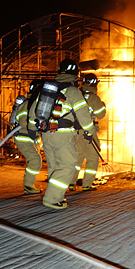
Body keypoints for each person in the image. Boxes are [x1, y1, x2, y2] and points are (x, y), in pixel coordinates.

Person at [40, 59, 95, 210]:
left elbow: (34, 112)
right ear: (75, 75)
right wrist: (90, 131)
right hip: (62, 135)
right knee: (68, 165)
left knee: (55, 166)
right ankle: (51, 199)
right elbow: (83, 115)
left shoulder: (48, 89)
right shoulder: (72, 91)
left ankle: (57, 195)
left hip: (46, 134)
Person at [70, 73, 106, 191]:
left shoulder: (76, 94)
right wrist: (102, 106)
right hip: (88, 132)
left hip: (75, 132)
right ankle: (86, 185)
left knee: (78, 157)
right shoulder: (94, 98)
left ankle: (71, 183)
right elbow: (101, 114)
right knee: (93, 158)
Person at [11, 80, 44, 195]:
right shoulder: (29, 104)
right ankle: (28, 186)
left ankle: (28, 185)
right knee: (35, 160)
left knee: (34, 160)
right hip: (24, 138)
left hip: (29, 137)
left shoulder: (32, 103)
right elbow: (25, 122)